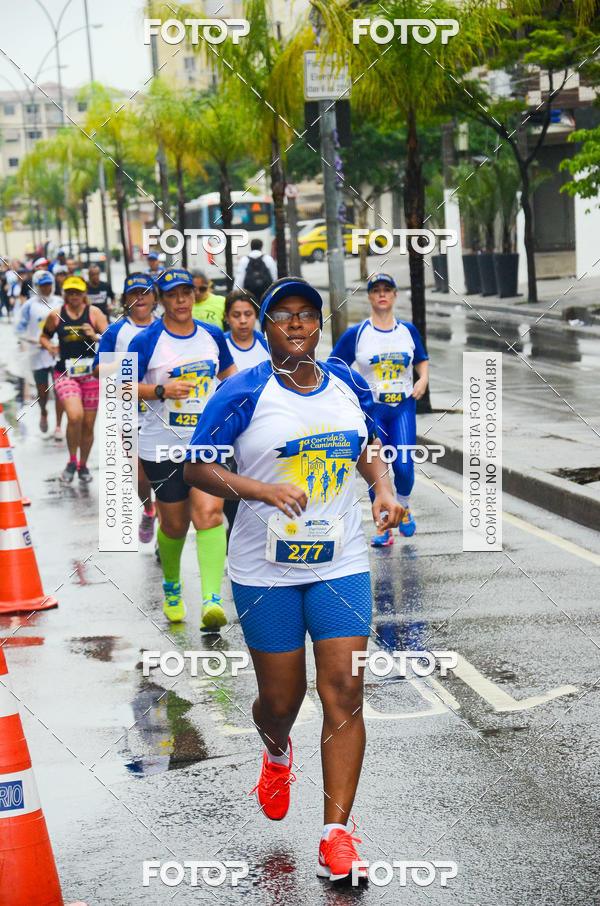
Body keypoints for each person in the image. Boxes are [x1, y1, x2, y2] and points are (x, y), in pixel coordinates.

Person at [183, 276, 402, 883]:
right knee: (281, 701)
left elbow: (371, 446)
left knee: (345, 694)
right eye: (284, 316)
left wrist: (382, 488)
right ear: (268, 328)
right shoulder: (242, 390)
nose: (298, 325)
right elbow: (198, 464)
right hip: (264, 572)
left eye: (308, 315)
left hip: (342, 564)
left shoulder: (346, 383)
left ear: (319, 325)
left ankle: (337, 835)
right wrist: (262, 489)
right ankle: (277, 749)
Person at [128, 268, 237, 627]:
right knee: (175, 525)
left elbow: (232, 380)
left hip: (206, 445)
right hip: (161, 448)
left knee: (209, 515)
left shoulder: (212, 335)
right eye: (172, 294)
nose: (180, 301)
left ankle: (211, 601)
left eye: (186, 293)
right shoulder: (145, 341)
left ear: (194, 295)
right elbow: (119, 387)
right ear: (160, 299)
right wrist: (161, 391)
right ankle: (172, 585)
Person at [329, 272, 429, 544]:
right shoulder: (357, 334)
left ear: (395, 296)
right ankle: (384, 527)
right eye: (376, 290)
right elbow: (334, 367)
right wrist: (352, 395)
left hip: (402, 409)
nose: (382, 294)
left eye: (387, 289)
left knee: (405, 468)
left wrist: (423, 380)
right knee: (378, 471)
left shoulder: (407, 330)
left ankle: (404, 506)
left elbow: (421, 358)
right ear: (370, 297)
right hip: (373, 413)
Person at [93, 273, 158, 543]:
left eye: (144, 293)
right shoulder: (117, 330)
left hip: (163, 409)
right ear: (125, 300)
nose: (139, 298)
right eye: (134, 294)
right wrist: (123, 361)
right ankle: (148, 507)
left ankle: (164, 533)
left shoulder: (166, 327)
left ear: (155, 297)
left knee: (167, 476)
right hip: (128, 411)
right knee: (138, 472)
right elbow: (98, 369)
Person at [40, 276, 108, 483]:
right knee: (75, 415)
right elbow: (43, 336)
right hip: (65, 373)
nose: (74, 296)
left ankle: (82, 465)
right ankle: (71, 460)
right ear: (65, 294)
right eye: (70, 292)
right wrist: (50, 347)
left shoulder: (94, 313)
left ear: (84, 294)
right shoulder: (56, 315)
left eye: (78, 292)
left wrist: (95, 336)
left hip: (90, 375)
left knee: (88, 425)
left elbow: (111, 340)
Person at [15, 270, 63, 437]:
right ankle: (43, 411)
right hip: (38, 355)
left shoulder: (59, 302)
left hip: (57, 354)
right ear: (36, 287)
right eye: (43, 286)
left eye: (49, 285)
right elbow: (19, 330)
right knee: (42, 391)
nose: (47, 289)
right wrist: (35, 341)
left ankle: (58, 426)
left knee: (60, 390)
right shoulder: (29, 306)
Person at [223, 289, 270, 370]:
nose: (243, 321)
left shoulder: (268, 343)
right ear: (227, 317)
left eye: (248, 314)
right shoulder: (219, 344)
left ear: (256, 315)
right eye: (236, 315)